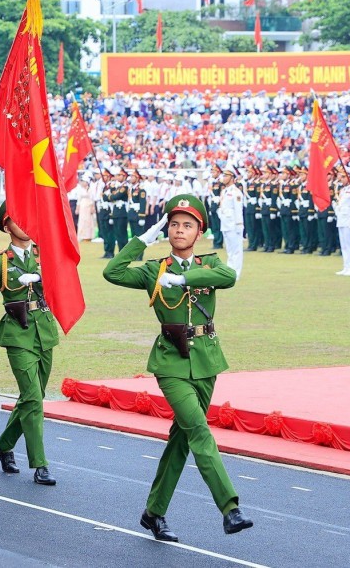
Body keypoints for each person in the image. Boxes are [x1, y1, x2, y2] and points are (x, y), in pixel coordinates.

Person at [103, 195, 252, 542]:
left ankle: (153, 513)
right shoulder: (155, 269)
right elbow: (113, 272)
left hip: (206, 360)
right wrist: (142, 239)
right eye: (173, 224)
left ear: (199, 231)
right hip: (171, 361)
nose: (179, 230)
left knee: (181, 440)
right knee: (198, 428)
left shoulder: (210, 264)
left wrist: (184, 280)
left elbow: (229, 276)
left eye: (187, 225)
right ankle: (230, 508)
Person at [0, 203, 60, 486]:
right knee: (34, 398)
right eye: (17, 219)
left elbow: (64, 279)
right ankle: (40, 464)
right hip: (18, 332)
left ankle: (4, 444)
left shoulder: (42, 254)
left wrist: (41, 276)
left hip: (44, 330)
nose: (25, 224)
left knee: (32, 396)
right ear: (6, 225)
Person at [215, 166, 245, 277]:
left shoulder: (236, 192)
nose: (224, 177)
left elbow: (238, 210)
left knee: (236, 250)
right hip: (225, 223)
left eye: (226, 175)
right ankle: (230, 270)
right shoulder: (224, 191)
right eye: (223, 175)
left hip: (234, 225)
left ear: (232, 177)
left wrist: (239, 225)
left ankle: (235, 273)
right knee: (229, 250)